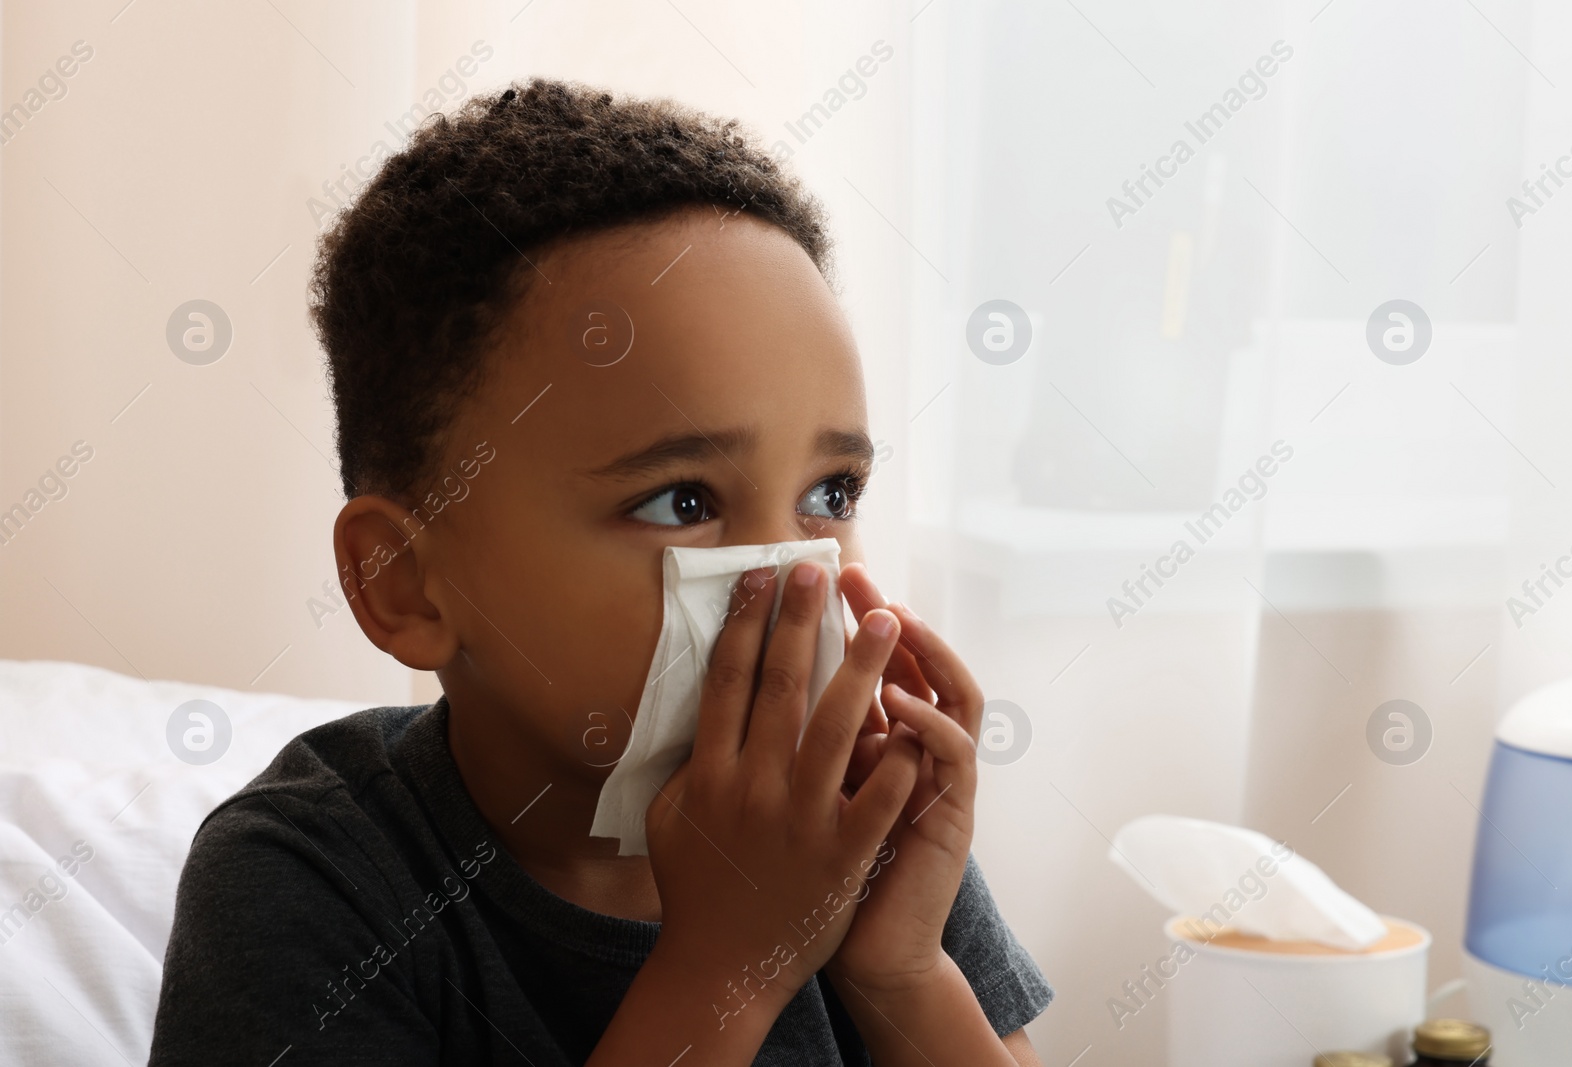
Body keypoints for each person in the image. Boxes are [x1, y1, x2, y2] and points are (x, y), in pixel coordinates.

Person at [149, 78, 1053, 1066]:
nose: (798, 578)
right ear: (405, 583)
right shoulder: (307, 877)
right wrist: (728, 969)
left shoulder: (852, 815)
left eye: (831, 494)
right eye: (683, 502)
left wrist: (904, 972)